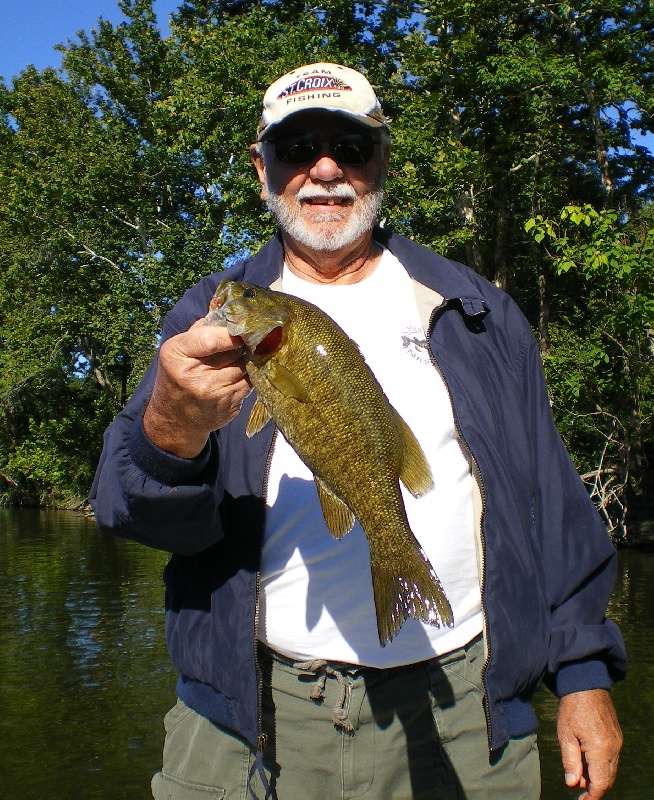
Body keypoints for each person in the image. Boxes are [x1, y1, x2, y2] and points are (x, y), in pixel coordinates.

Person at [90, 62, 626, 800]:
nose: (325, 168)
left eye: (352, 144)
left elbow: (553, 505)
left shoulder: (476, 311)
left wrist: (584, 673)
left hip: (468, 707)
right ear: (261, 169)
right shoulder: (205, 319)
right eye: (295, 147)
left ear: (383, 161)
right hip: (255, 719)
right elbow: (126, 509)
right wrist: (171, 430)